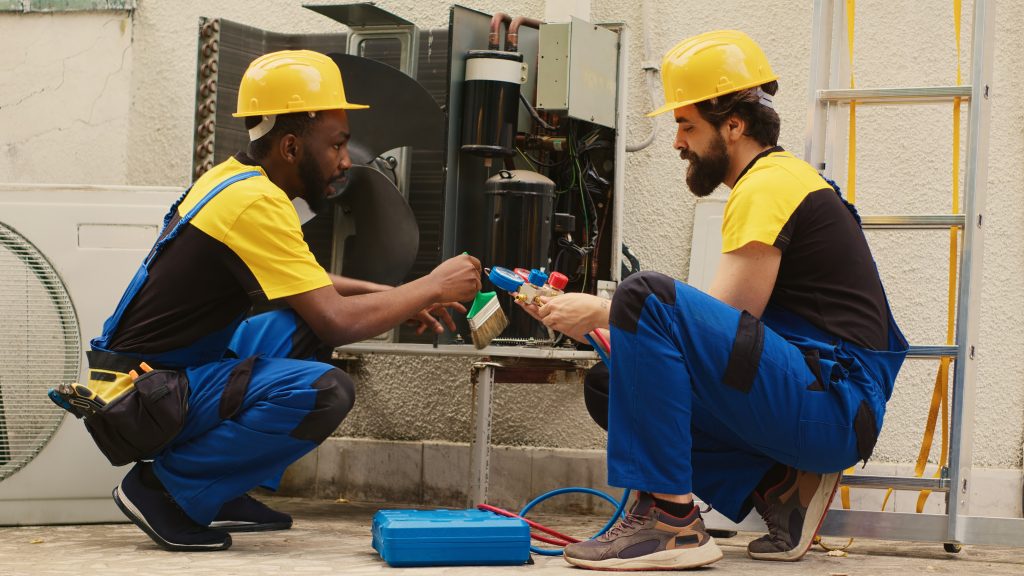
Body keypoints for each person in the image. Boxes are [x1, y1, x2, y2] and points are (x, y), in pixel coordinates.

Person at [518, 30, 907, 571]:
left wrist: (605, 312)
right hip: (821, 397)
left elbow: (729, 320)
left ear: (734, 125)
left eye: (686, 124)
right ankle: (781, 490)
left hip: (834, 404)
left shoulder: (768, 184)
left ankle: (672, 524)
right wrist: (615, 330)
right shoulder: (774, 181)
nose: (678, 141)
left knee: (643, 294)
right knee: (612, 385)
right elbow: (719, 347)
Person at [81, 50, 481, 552]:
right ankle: (165, 491)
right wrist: (433, 286)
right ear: (291, 146)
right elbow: (336, 321)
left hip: (155, 379)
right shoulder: (256, 202)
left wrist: (397, 295)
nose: (345, 160)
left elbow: (307, 284)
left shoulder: (234, 179)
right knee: (324, 390)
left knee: (301, 322)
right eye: (337, 144)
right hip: (146, 400)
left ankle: (218, 490)